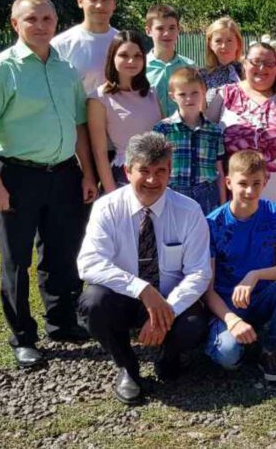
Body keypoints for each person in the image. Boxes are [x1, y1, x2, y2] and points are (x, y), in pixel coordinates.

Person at [0, 0, 98, 368]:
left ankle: (61, 323)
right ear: (16, 24)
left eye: (47, 19)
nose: (41, 26)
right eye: (32, 19)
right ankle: (23, 336)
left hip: (63, 174)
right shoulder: (2, 69)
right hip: (17, 176)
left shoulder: (65, 69)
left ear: (56, 22)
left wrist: (87, 173)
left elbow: (80, 125)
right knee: (16, 259)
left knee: (62, 252)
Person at [77, 132, 211, 405]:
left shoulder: (189, 211)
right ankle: (127, 366)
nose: (152, 180)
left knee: (194, 325)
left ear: (170, 171)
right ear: (128, 171)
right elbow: (89, 262)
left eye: (160, 171)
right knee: (93, 303)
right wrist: (143, 290)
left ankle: (168, 356)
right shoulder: (107, 208)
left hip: (169, 298)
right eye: (144, 171)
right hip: (124, 297)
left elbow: (199, 272)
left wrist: (165, 312)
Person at [204, 150, 276, 383]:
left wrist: (255, 275)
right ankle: (238, 340)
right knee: (228, 355)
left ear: (265, 182)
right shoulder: (212, 223)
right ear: (228, 183)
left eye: (256, 184)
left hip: (263, 296)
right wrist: (232, 320)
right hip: (227, 304)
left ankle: (270, 348)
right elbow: (207, 290)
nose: (250, 191)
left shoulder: (275, 213)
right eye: (243, 184)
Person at [209, 42, 276, 240]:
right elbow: (206, 138)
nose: (262, 68)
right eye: (256, 62)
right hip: (238, 197)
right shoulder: (225, 95)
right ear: (244, 63)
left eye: (269, 63)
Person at [88, 31, 163, 193]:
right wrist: (112, 193)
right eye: (124, 55)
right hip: (125, 175)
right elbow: (99, 152)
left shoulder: (152, 93)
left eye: (137, 56)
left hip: (158, 173)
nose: (131, 61)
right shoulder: (99, 98)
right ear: (112, 58)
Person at [153, 67, 226, 214]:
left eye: (194, 93)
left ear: (203, 92)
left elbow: (219, 170)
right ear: (172, 96)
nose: (189, 99)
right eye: (182, 94)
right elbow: (156, 167)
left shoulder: (214, 130)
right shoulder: (163, 129)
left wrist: (223, 203)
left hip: (207, 194)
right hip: (174, 194)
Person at [52, 0, 120, 95]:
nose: (99, 6)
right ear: (80, 1)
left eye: (106, 0)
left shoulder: (124, 43)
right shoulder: (61, 44)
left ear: (114, 3)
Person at [145, 4, 194, 118]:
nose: (167, 33)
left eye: (172, 28)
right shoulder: (140, 68)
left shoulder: (189, 67)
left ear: (178, 30)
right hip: (150, 128)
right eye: (160, 28)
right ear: (148, 31)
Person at [200, 17, 244, 93]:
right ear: (210, 44)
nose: (224, 46)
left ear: (238, 43)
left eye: (229, 40)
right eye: (218, 41)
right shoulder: (202, 77)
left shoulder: (248, 71)